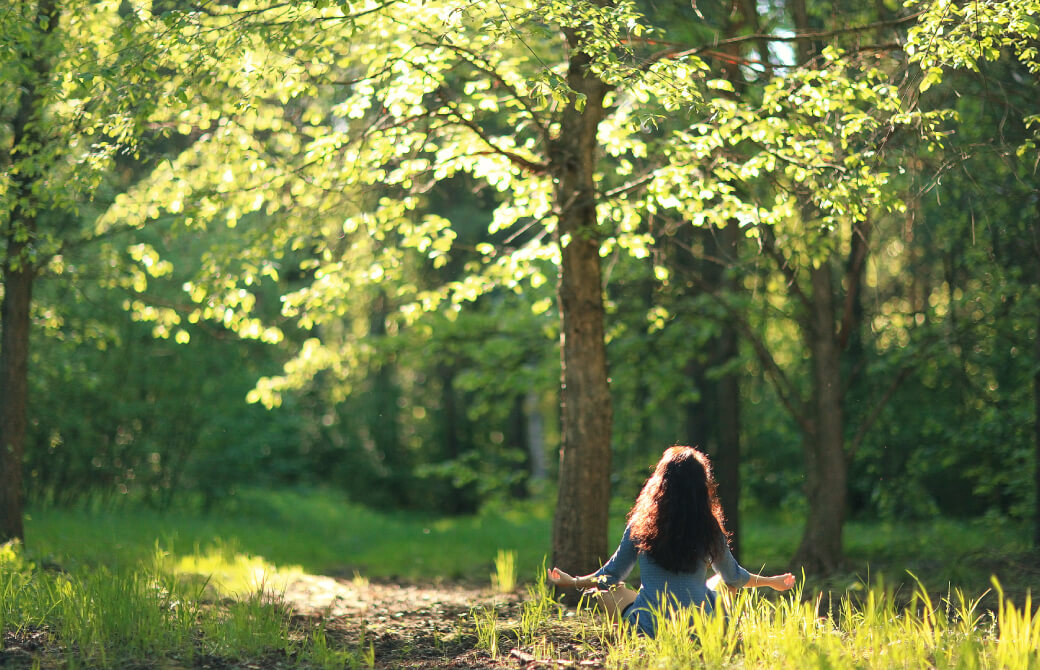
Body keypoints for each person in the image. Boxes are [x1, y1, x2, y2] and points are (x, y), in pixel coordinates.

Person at [548, 446, 795, 637]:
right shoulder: (709, 527)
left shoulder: (641, 524)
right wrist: (771, 582)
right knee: (723, 582)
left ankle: (628, 637)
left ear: (660, 484)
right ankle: (719, 634)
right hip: (702, 628)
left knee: (605, 592)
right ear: (702, 486)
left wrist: (573, 581)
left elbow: (609, 576)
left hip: (651, 627)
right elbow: (735, 577)